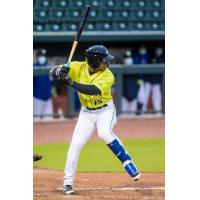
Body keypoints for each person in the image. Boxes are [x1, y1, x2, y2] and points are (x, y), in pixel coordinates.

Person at [49, 45, 141, 195]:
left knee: (104, 132)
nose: (107, 63)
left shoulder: (108, 75)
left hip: (106, 110)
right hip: (86, 113)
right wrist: (59, 71)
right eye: (105, 60)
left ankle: (127, 160)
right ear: (94, 62)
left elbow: (92, 90)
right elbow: (51, 71)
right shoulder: (77, 66)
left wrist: (70, 82)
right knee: (76, 144)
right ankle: (68, 181)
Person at [140, 46, 164, 113]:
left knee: (157, 97)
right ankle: (142, 111)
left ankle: (158, 111)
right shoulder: (150, 56)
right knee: (145, 96)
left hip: (157, 81)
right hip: (148, 80)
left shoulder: (163, 57)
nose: (159, 51)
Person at [33, 49, 53, 120]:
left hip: (48, 98)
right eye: (41, 56)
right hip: (36, 98)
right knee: (36, 120)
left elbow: (52, 83)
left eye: (44, 56)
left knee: (49, 120)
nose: (42, 57)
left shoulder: (49, 67)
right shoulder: (33, 66)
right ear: (37, 57)